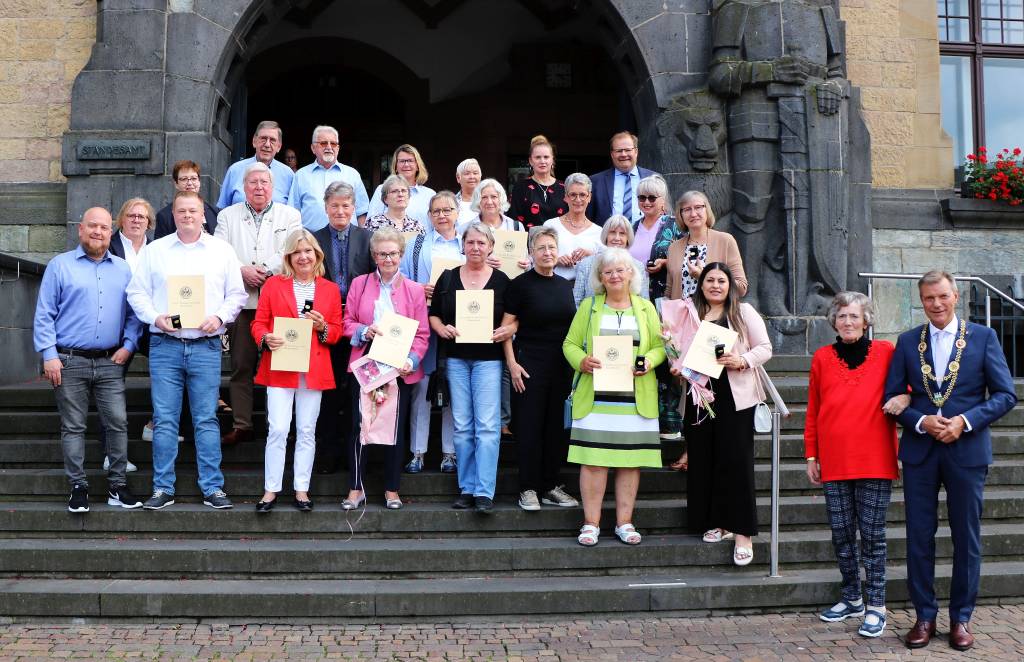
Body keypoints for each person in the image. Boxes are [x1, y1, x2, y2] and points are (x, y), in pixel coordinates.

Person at [884, 270, 1017, 651]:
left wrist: (965, 421)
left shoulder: (984, 337)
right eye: (929, 299)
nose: (937, 304)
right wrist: (921, 420)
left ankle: (961, 619)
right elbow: (892, 397)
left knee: (967, 538)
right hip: (921, 452)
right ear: (921, 301)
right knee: (919, 538)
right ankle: (924, 616)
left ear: (955, 296)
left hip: (967, 451)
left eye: (942, 296)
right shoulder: (908, 341)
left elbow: (1005, 395)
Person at [126, 190, 247, 510]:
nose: (187, 215)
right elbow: (136, 293)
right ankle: (162, 488)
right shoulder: (156, 251)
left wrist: (220, 317)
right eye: (181, 211)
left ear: (204, 215)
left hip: (205, 346)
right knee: (164, 420)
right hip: (165, 346)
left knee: (206, 419)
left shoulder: (222, 251)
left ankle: (212, 487)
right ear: (173, 215)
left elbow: (236, 295)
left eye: (193, 210)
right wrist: (155, 318)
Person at [806, 292, 905, 638]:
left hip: (875, 459)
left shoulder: (887, 353)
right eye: (842, 316)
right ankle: (852, 598)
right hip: (833, 460)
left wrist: (905, 396)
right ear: (833, 321)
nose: (848, 322)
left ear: (867, 321)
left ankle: (876, 604)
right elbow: (814, 410)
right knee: (842, 534)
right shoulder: (821, 358)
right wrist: (811, 455)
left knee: (873, 536)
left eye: (854, 316)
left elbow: (905, 390)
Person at [33, 207, 144, 513]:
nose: (98, 232)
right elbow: (44, 314)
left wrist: (129, 344)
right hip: (69, 362)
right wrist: (49, 355)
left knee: (118, 423)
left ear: (112, 232)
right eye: (92, 226)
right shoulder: (59, 266)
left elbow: (134, 315)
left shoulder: (123, 269)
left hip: (111, 361)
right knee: (73, 426)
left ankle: (118, 487)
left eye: (104, 227)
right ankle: (78, 487)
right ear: (80, 229)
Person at [562, 248, 665, 546]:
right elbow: (569, 344)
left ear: (632, 274)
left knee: (629, 462)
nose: (615, 275)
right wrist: (582, 361)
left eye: (620, 270)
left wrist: (649, 361)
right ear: (600, 278)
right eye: (608, 272)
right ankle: (590, 524)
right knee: (593, 462)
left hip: (635, 399)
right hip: (596, 398)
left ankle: (624, 522)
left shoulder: (645, 308)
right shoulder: (590, 307)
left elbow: (660, 347)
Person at [671, 263, 771, 565]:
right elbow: (677, 351)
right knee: (704, 459)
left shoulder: (744, 312)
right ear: (700, 284)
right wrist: (676, 363)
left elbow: (765, 348)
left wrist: (741, 360)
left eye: (721, 280)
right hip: (699, 395)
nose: (715, 285)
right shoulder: (691, 315)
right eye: (709, 280)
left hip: (734, 396)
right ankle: (716, 521)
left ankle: (743, 532)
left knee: (736, 461)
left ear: (730, 285)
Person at [250, 230, 343, 512]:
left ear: (317, 255)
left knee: (306, 430)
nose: (303, 257)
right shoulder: (274, 285)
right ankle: (271, 490)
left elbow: (336, 332)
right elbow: (259, 323)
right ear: (289, 256)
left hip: (313, 369)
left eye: (308, 251)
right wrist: (265, 338)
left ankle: (302, 489)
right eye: (297, 252)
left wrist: (322, 327)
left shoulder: (329, 289)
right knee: (278, 429)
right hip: (280, 366)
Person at [341, 228, 430, 510]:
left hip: (398, 367)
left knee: (394, 427)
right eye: (382, 254)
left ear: (401, 255)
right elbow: (347, 322)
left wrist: (411, 361)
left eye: (393, 253)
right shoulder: (360, 284)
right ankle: (356, 489)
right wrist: (364, 331)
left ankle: (392, 489)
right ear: (374, 256)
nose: (388, 258)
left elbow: (422, 334)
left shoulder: (414, 290)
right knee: (359, 426)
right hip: (365, 363)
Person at [215, 162, 302, 447]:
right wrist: (242, 270)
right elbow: (220, 251)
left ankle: (279, 426)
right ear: (243, 187)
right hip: (241, 302)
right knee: (241, 366)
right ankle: (243, 424)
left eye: (264, 182)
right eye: (253, 182)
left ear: (272, 186)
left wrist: (263, 269)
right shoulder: (228, 216)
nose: (259, 187)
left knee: (281, 366)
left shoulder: (290, 215)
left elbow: (291, 249)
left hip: (278, 303)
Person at [429, 223, 514, 513]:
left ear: (491, 246)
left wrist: (507, 330)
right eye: (471, 242)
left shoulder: (503, 280)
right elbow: (434, 315)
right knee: (463, 425)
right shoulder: (448, 277)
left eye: (481, 242)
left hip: (489, 360)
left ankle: (484, 491)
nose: (476, 247)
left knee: (488, 426)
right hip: (456, 358)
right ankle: (466, 487)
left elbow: (515, 319)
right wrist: (442, 329)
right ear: (462, 246)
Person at [502, 226, 579, 511]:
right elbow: (507, 328)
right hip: (528, 365)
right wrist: (512, 364)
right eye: (541, 248)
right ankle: (528, 488)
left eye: (551, 247)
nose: (547, 253)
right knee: (530, 428)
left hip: (560, 367)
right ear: (531, 252)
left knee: (554, 430)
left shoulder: (563, 285)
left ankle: (550, 486)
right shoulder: (520, 284)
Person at [311, 181, 373, 474]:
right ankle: (327, 456)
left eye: (346, 205)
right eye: (334, 205)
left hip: (359, 326)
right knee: (328, 392)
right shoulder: (313, 238)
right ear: (326, 207)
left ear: (353, 208)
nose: (340, 211)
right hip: (324, 326)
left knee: (357, 393)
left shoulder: (366, 238)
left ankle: (356, 458)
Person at [399, 191, 461, 474]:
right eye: (436, 211)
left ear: (458, 212)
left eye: (447, 210)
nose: (442, 215)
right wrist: (418, 289)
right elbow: (400, 280)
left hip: (459, 326)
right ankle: (417, 451)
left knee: (453, 387)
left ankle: (450, 452)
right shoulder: (416, 244)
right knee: (421, 387)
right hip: (423, 322)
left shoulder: (468, 242)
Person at [665, 190, 747, 301]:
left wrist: (703, 275)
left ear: (707, 210)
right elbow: (669, 291)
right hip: (681, 316)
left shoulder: (725, 241)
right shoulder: (674, 248)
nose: (693, 214)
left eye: (698, 207)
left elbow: (741, 288)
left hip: (714, 316)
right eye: (687, 209)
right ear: (681, 215)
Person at [288, 125, 370, 232]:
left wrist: (360, 240)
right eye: (323, 143)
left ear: (338, 148)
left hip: (347, 241)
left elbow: (362, 212)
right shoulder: (301, 175)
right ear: (313, 148)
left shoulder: (352, 174)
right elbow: (292, 212)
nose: (329, 147)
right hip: (311, 242)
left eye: (333, 143)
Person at [572, 215, 650, 306]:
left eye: (622, 233)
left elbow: (644, 302)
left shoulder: (637, 266)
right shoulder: (586, 265)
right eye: (612, 232)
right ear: (606, 236)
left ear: (628, 238)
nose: (617, 238)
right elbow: (576, 302)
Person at [217, 120, 294, 208]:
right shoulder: (235, 170)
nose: (267, 144)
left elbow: (294, 213)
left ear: (279, 147)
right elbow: (222, 210)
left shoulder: (288, 175)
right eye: (263, 139)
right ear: (254, 141)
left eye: (272, 140)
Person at [587, 131, 658, 225]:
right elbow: (588, 217)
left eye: (628, 150)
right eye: (619, 151)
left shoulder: (654, 178)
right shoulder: (595, 181)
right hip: (608, 238)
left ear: (636, 152)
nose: (624, 154)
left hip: (646, 237)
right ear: (612, 154)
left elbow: (663, 212)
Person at [541, 173, 602, 281]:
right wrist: (556, 260)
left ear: (589, 197)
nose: (578, 199)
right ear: (565, 197)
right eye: (573, 194)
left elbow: (606, 267)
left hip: (587, 291)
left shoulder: (599, 232)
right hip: (554, 287)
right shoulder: (550, 226)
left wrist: (591, 255)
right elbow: (537, 260)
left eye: (582, 195)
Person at [366, 144, 435, 227]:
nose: (406, 165)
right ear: (395, 166)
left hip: (423, 239)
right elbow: (370, 223)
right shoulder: (382, 189)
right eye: (402, 161)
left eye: (410, 161)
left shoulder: (430, 194)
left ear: (417, 166)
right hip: (389, 239)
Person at [509, 135, 566, 229]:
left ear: (552, 160)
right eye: (538, 157)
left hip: (558, 242)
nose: (542, 161)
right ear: (531, 161)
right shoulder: (520, 187)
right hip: (529, 242)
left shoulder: (564, 187)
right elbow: (514, 222)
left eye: (546, 157)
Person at [632, 174, 675, 295]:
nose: (646, 202)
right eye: (641, 198)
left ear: (663, 200)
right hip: (634, 294)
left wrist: (665, 262)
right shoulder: (632, 227)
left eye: (652, 198)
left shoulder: (674, 225)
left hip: (663, 294)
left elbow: (686, 257)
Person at [155, 160, 219, 238]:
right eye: (184, 179)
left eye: (193, 178)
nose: (189, 183)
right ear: (176, 184)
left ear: (199, 182)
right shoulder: (164, 216)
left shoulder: (216, 213)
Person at [458, 178, 526, 234]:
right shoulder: (465, 229)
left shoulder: (516, 227)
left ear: (501, 200)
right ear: (478, 201)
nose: (489, 202)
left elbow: (523, 251)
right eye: (484, 197)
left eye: (494, 197)